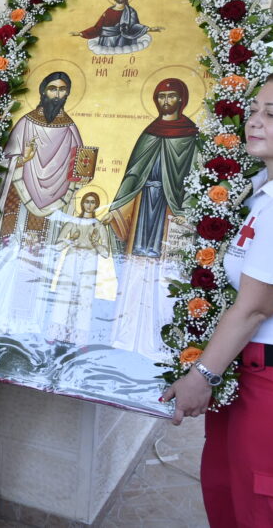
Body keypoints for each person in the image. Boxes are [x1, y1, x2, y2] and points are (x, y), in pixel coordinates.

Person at [164, 71, 273, 527]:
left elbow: (256, 306)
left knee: (263, 503)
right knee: (225, 490)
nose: (254, 121)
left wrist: (202, 374)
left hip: (271, 375)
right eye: (253, 111)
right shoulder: (260, 193)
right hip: (244, 368)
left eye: (271, 114)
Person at [0, 71, 86, 336]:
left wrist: (79, 177)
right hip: (19, 199)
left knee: (39, 260)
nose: (57, 94)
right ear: (42, 91)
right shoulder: (25, 124)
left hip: (52, 207)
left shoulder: (70, 129)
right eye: (52, 89)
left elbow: (77, 168)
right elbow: (5, 164)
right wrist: (23, 159)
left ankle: (30, 325)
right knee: (14, 255)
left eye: (62, 90)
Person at [108, 78, 199, 359]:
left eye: (172, 96)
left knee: (164, 273)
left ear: (182, 99)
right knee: (136, 266)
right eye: (162, 96)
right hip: (142, 208)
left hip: (170, 212)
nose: (166, 101)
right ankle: (124, 339)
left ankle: (160, 345)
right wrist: (119, 203)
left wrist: (184, 209)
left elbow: (195, 177)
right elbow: (134, 173)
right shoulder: (149, 133)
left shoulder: (191, 135)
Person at [44, 191, 117, 345]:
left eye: (92, 202)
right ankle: (56, 332)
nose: (89, 205)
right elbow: (57, 247)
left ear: (96, 204)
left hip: (89, 261)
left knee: (84, 297)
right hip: (72, 260)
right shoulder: (72, 222)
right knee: (64, 295)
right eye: (87, 201)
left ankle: (78, 337)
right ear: (82, 203)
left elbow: (105, 253)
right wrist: (71, 240)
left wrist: (95, 243)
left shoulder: (99, 226)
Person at [71, 0, 163, 55]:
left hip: (123, 41)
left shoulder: (131, 11)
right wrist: (81, 33)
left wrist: (148, 29)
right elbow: (98, 27)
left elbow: (134, 26)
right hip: (107, 41)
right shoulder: (108, 11)